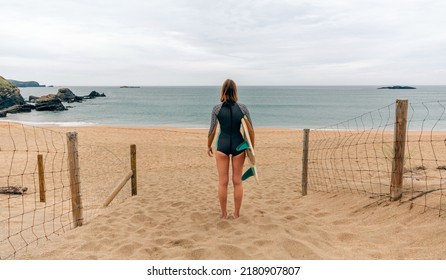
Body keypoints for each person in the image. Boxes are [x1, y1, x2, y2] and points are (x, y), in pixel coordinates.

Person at [207, 79, 254, 219]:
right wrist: (252, 148)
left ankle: (223, 214)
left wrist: (208, 145)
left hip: (222, 146)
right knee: (237, 181)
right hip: (239, 146)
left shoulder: (216, 109)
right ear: (235, 91)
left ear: (223, 91)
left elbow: (212, 130)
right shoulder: (243, 108)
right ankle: (236, 214)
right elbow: (251, 130)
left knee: (223, 182)